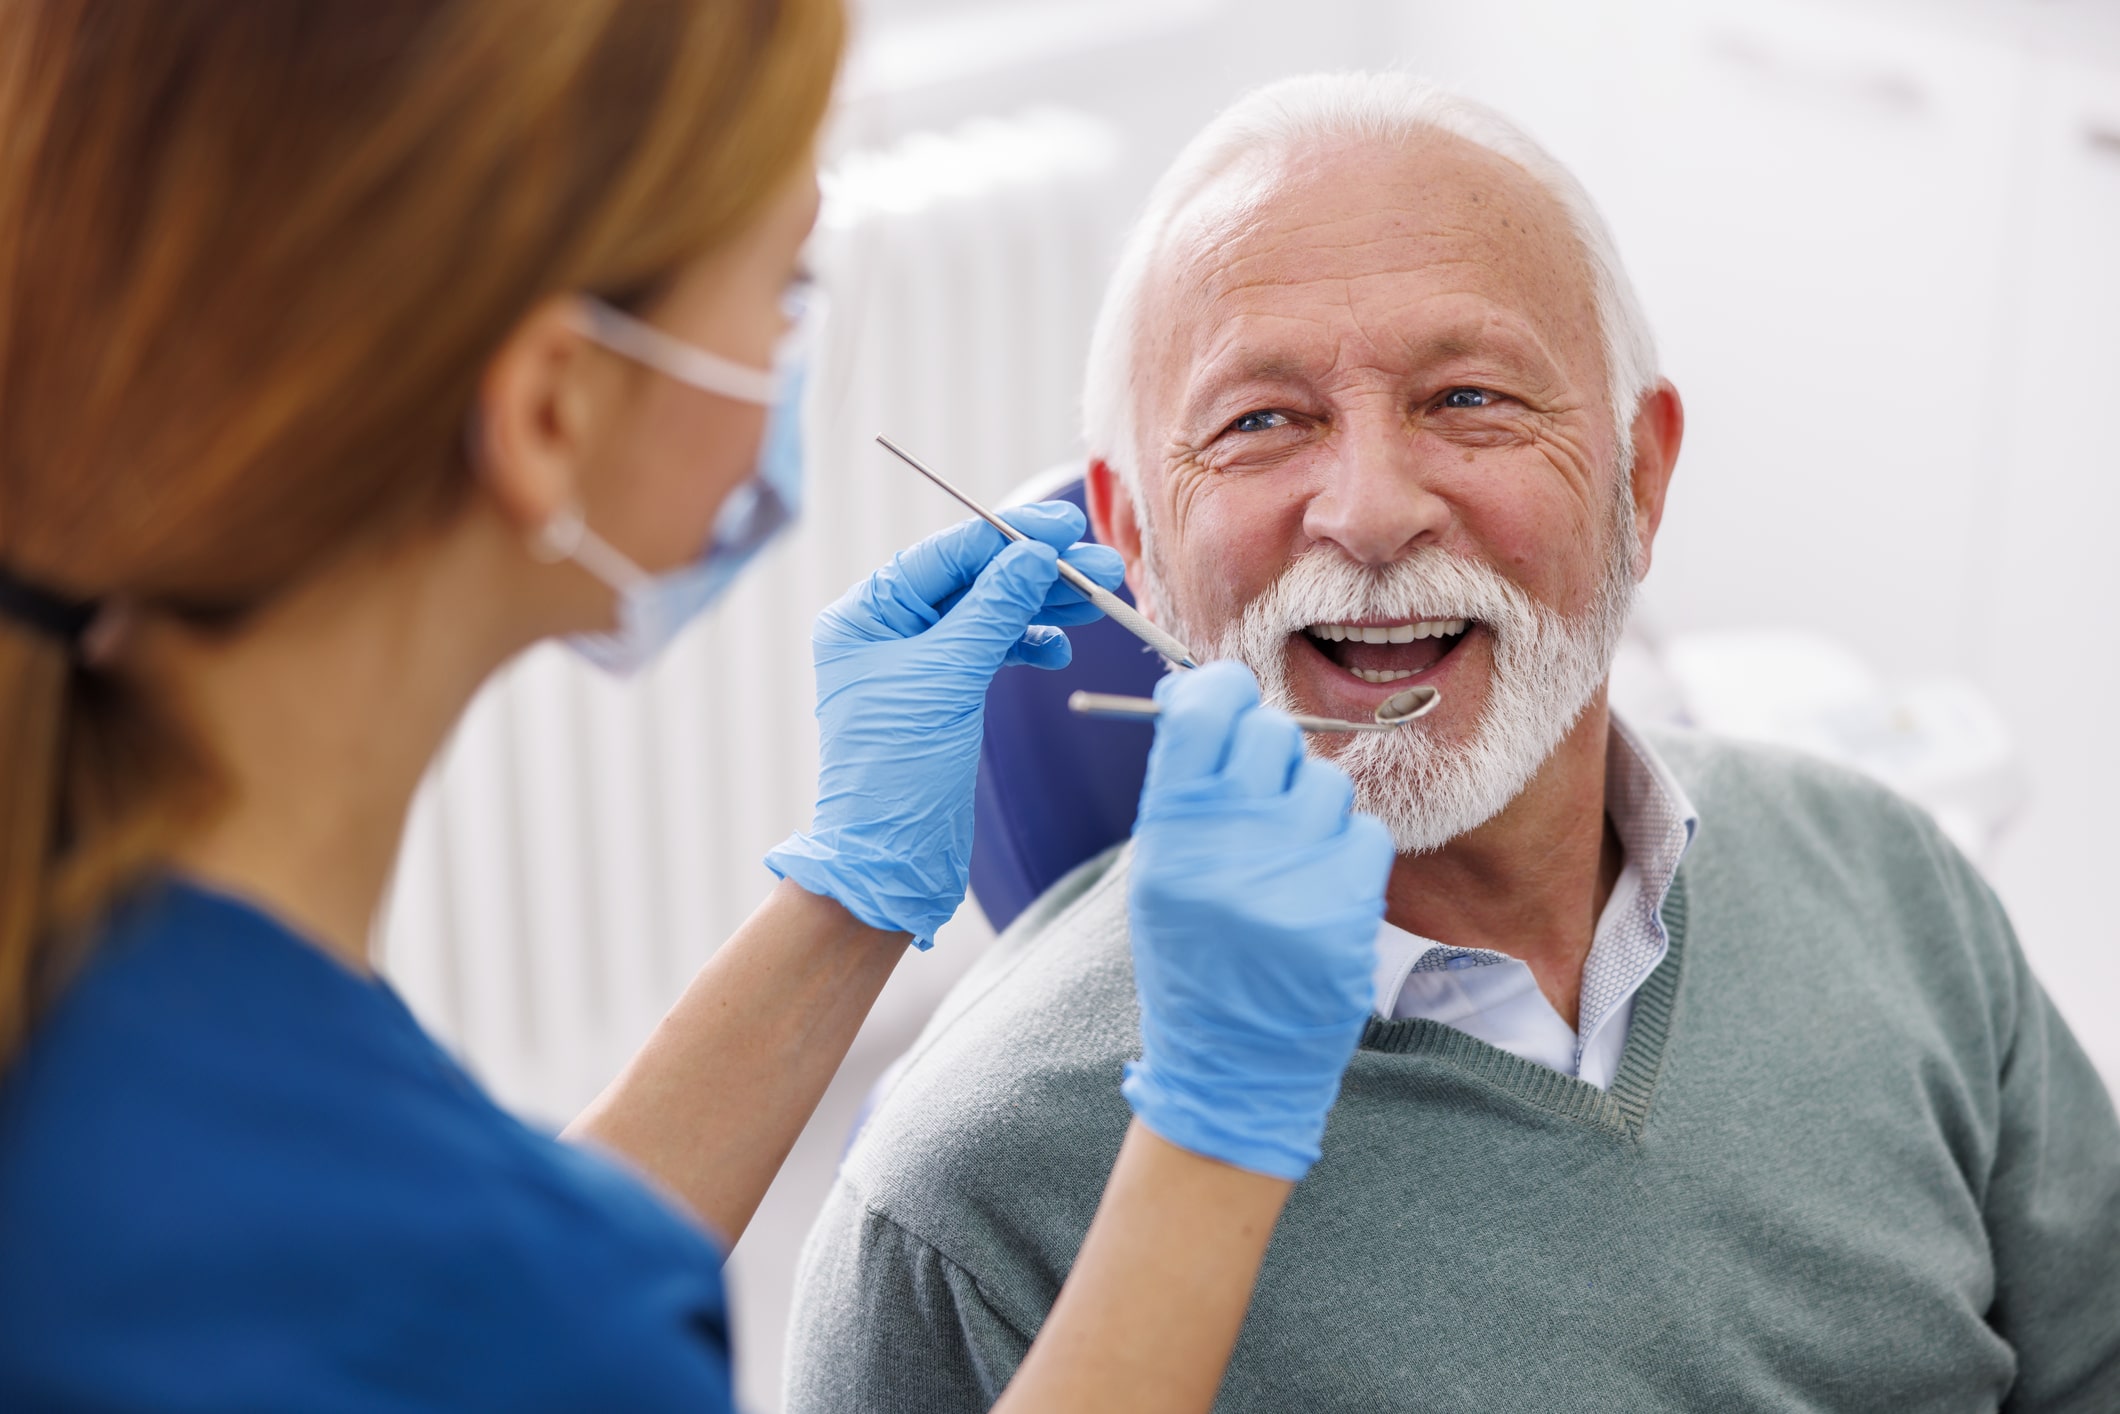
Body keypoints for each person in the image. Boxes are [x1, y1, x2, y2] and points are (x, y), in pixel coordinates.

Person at [0, 6, 1398, 1410]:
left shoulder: (128, 968)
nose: (1369, 509)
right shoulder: (481, 1279)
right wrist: (1220, 1124)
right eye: (787, 291)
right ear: (550, 409)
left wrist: (848, 893)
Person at [785, 72, 2120, 1412]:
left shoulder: (1900, 884)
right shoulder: (965, 1213)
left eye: (1469, 398)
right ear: (1130, 542)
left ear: (1640, 479)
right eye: (1260, 420)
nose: (1369, 513)